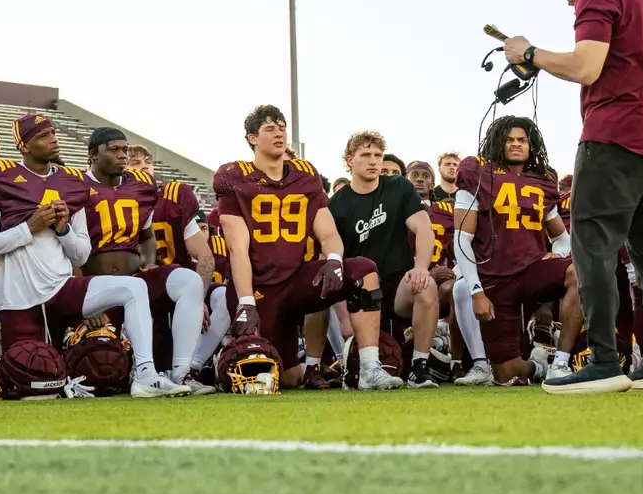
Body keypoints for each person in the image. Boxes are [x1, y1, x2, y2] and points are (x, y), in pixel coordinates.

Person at [503, 0, 643, 394]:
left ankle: (604, 360)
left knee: (594, 246)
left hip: (614, 133)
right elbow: (630, 46)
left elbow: (587, 67)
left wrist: (530, 54)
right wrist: (589, 9)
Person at [0, 112, 188, 397]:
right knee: (31, 382)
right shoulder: (0, 176)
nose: (53, 140)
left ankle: (146, 374)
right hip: (18, 297)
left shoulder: (72, 182)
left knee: (133, 287)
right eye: (43, 136)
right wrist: (29, 228)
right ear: (24, 146)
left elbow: (81, 253)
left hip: (62, 288)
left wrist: (63, 230)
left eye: (53, 133)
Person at [212, 105, 388, 389]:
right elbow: (238, 248)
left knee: (364, 271)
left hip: (296, 281)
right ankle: (223, 358)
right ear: (252, 138)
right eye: (270, 128)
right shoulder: (235, 176)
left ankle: (369, 368)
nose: (279, 133)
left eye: (282, 127)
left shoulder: (305, 175)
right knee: (284, 378)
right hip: (259, 289)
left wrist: (333, 259)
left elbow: (328, 232)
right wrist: (246, 302)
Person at [450, 116, 574, 387]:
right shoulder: (478, 172)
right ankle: (539, 366)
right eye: (509, 140)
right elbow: (462, 239)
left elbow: (562, 238)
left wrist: (560, 255)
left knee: (580, 273)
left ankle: (562, 362)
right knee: (508, 373)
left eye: (522, 140)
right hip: (495, 278)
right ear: (497, 142)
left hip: (532, 270)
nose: (516, 145)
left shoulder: (542, 180)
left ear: (532, 145)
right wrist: (475, 291)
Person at [79, 126, 204, 393]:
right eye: (114, 150)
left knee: (189, 280)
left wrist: (148, 261)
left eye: (125, 150)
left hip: (135, 278)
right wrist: (82, 297)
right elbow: (66, 247)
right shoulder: (76, 186)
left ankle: (180, 372)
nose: (122, 155)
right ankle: (145, 373)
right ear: (93, 154)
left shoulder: (141, 187)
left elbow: (147, 236)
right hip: (96, 286)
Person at [327, 132, 435, 387]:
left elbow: (424, 228)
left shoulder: (398, 188)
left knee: (426, 286)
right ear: (350, 160)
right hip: (360, 291)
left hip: (398, 284)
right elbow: (333, 263)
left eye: (377, 155)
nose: (373, 161)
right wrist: (344, 318)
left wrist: (421, 268)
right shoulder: (336, 204)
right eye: (366, 155)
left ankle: (420, 367)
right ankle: (339, 366)